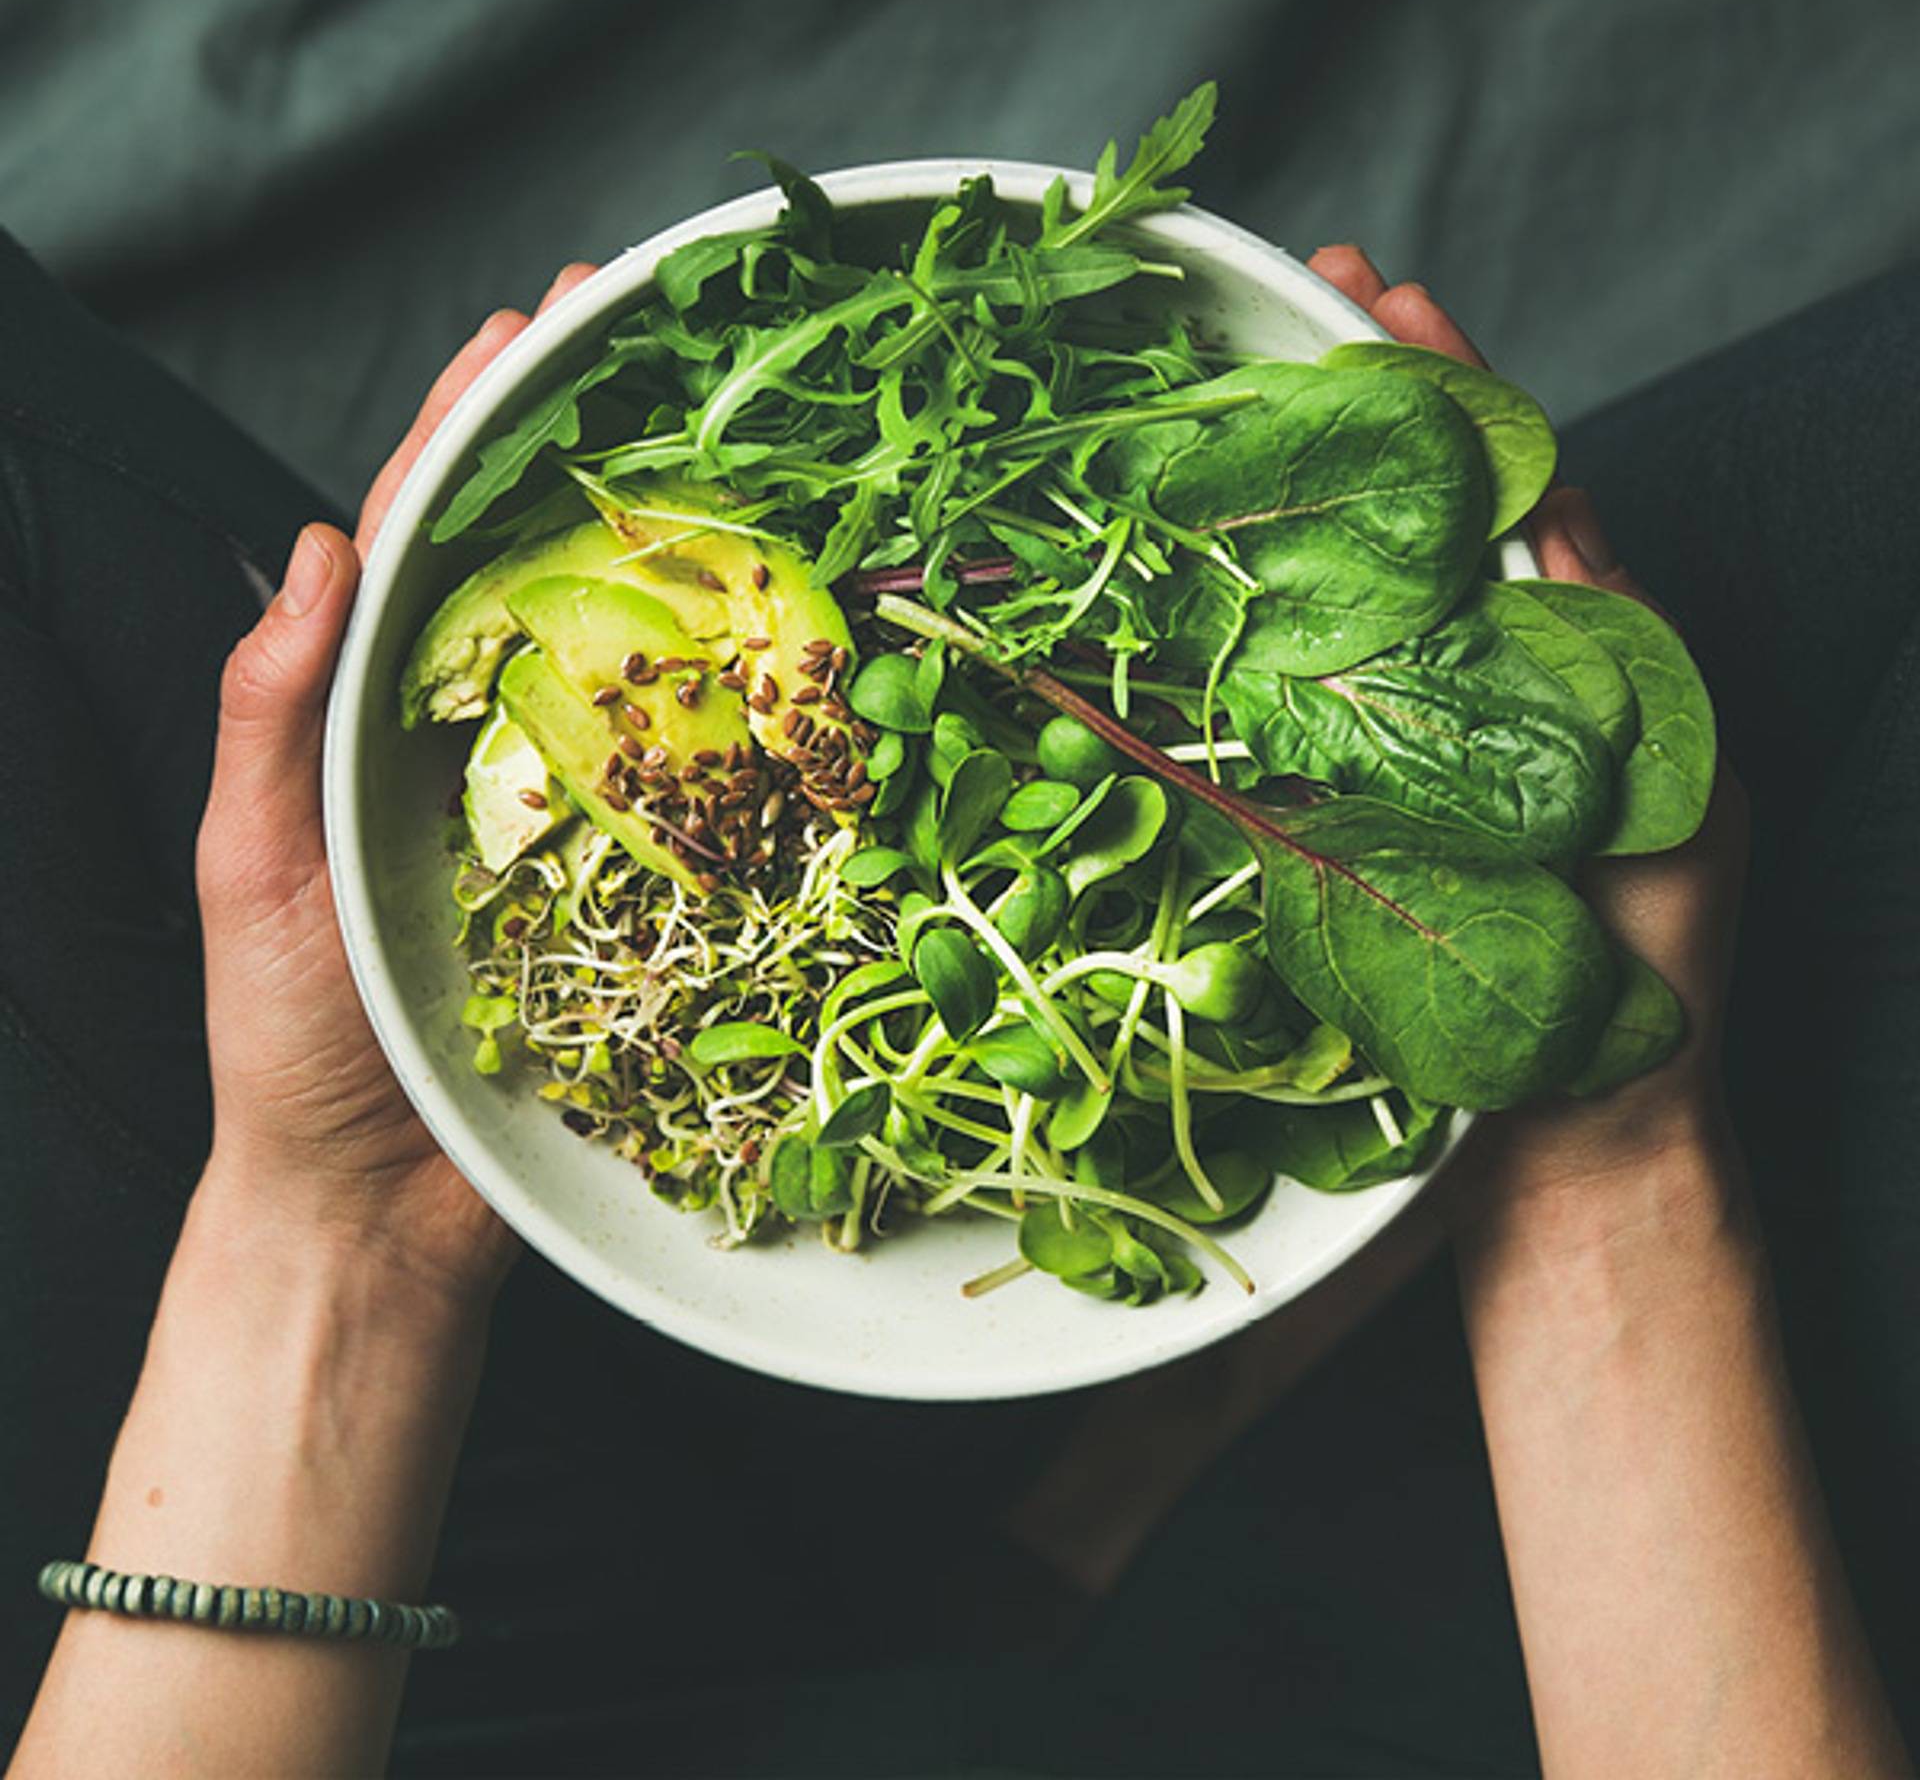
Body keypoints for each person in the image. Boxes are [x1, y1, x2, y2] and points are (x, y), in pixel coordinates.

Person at [1, 225, 1913, 1779]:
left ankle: (1044, 1512)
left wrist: (334, 1234)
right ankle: (1078, 1513)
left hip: (385, 1614)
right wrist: (1604, 1193)